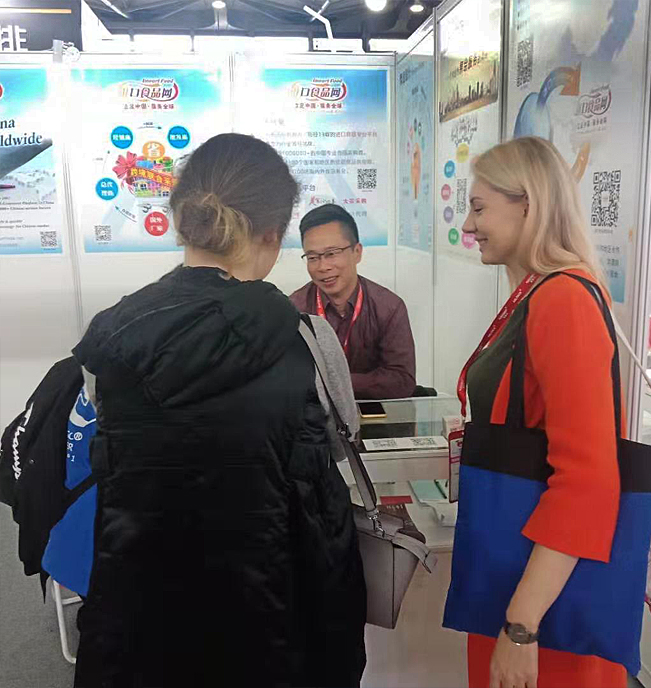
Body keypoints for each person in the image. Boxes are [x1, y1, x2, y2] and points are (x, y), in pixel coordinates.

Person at [71, 134, 367, 688]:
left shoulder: (109, 338)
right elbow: (337, 441)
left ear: (184, 222)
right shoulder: (309, 338)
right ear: (273, 233)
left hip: (144, 609)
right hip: (278, 611)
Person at [448, 136, 626, 688]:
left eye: (479, 208)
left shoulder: (562, 300)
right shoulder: (537, 293)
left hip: (542, 601)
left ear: (529, 204)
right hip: (518, 572)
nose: (469, 225)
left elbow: (587, 481)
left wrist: (521, 627)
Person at [291, 203, 416, 399]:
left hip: (375, 411)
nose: (323, 267)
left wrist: (333, 382)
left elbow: (402, 380)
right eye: (313, 257)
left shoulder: (389, 307)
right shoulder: (295, 309)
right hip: (316, 413)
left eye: (331, 254)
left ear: (357, 252)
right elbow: (290, 377)